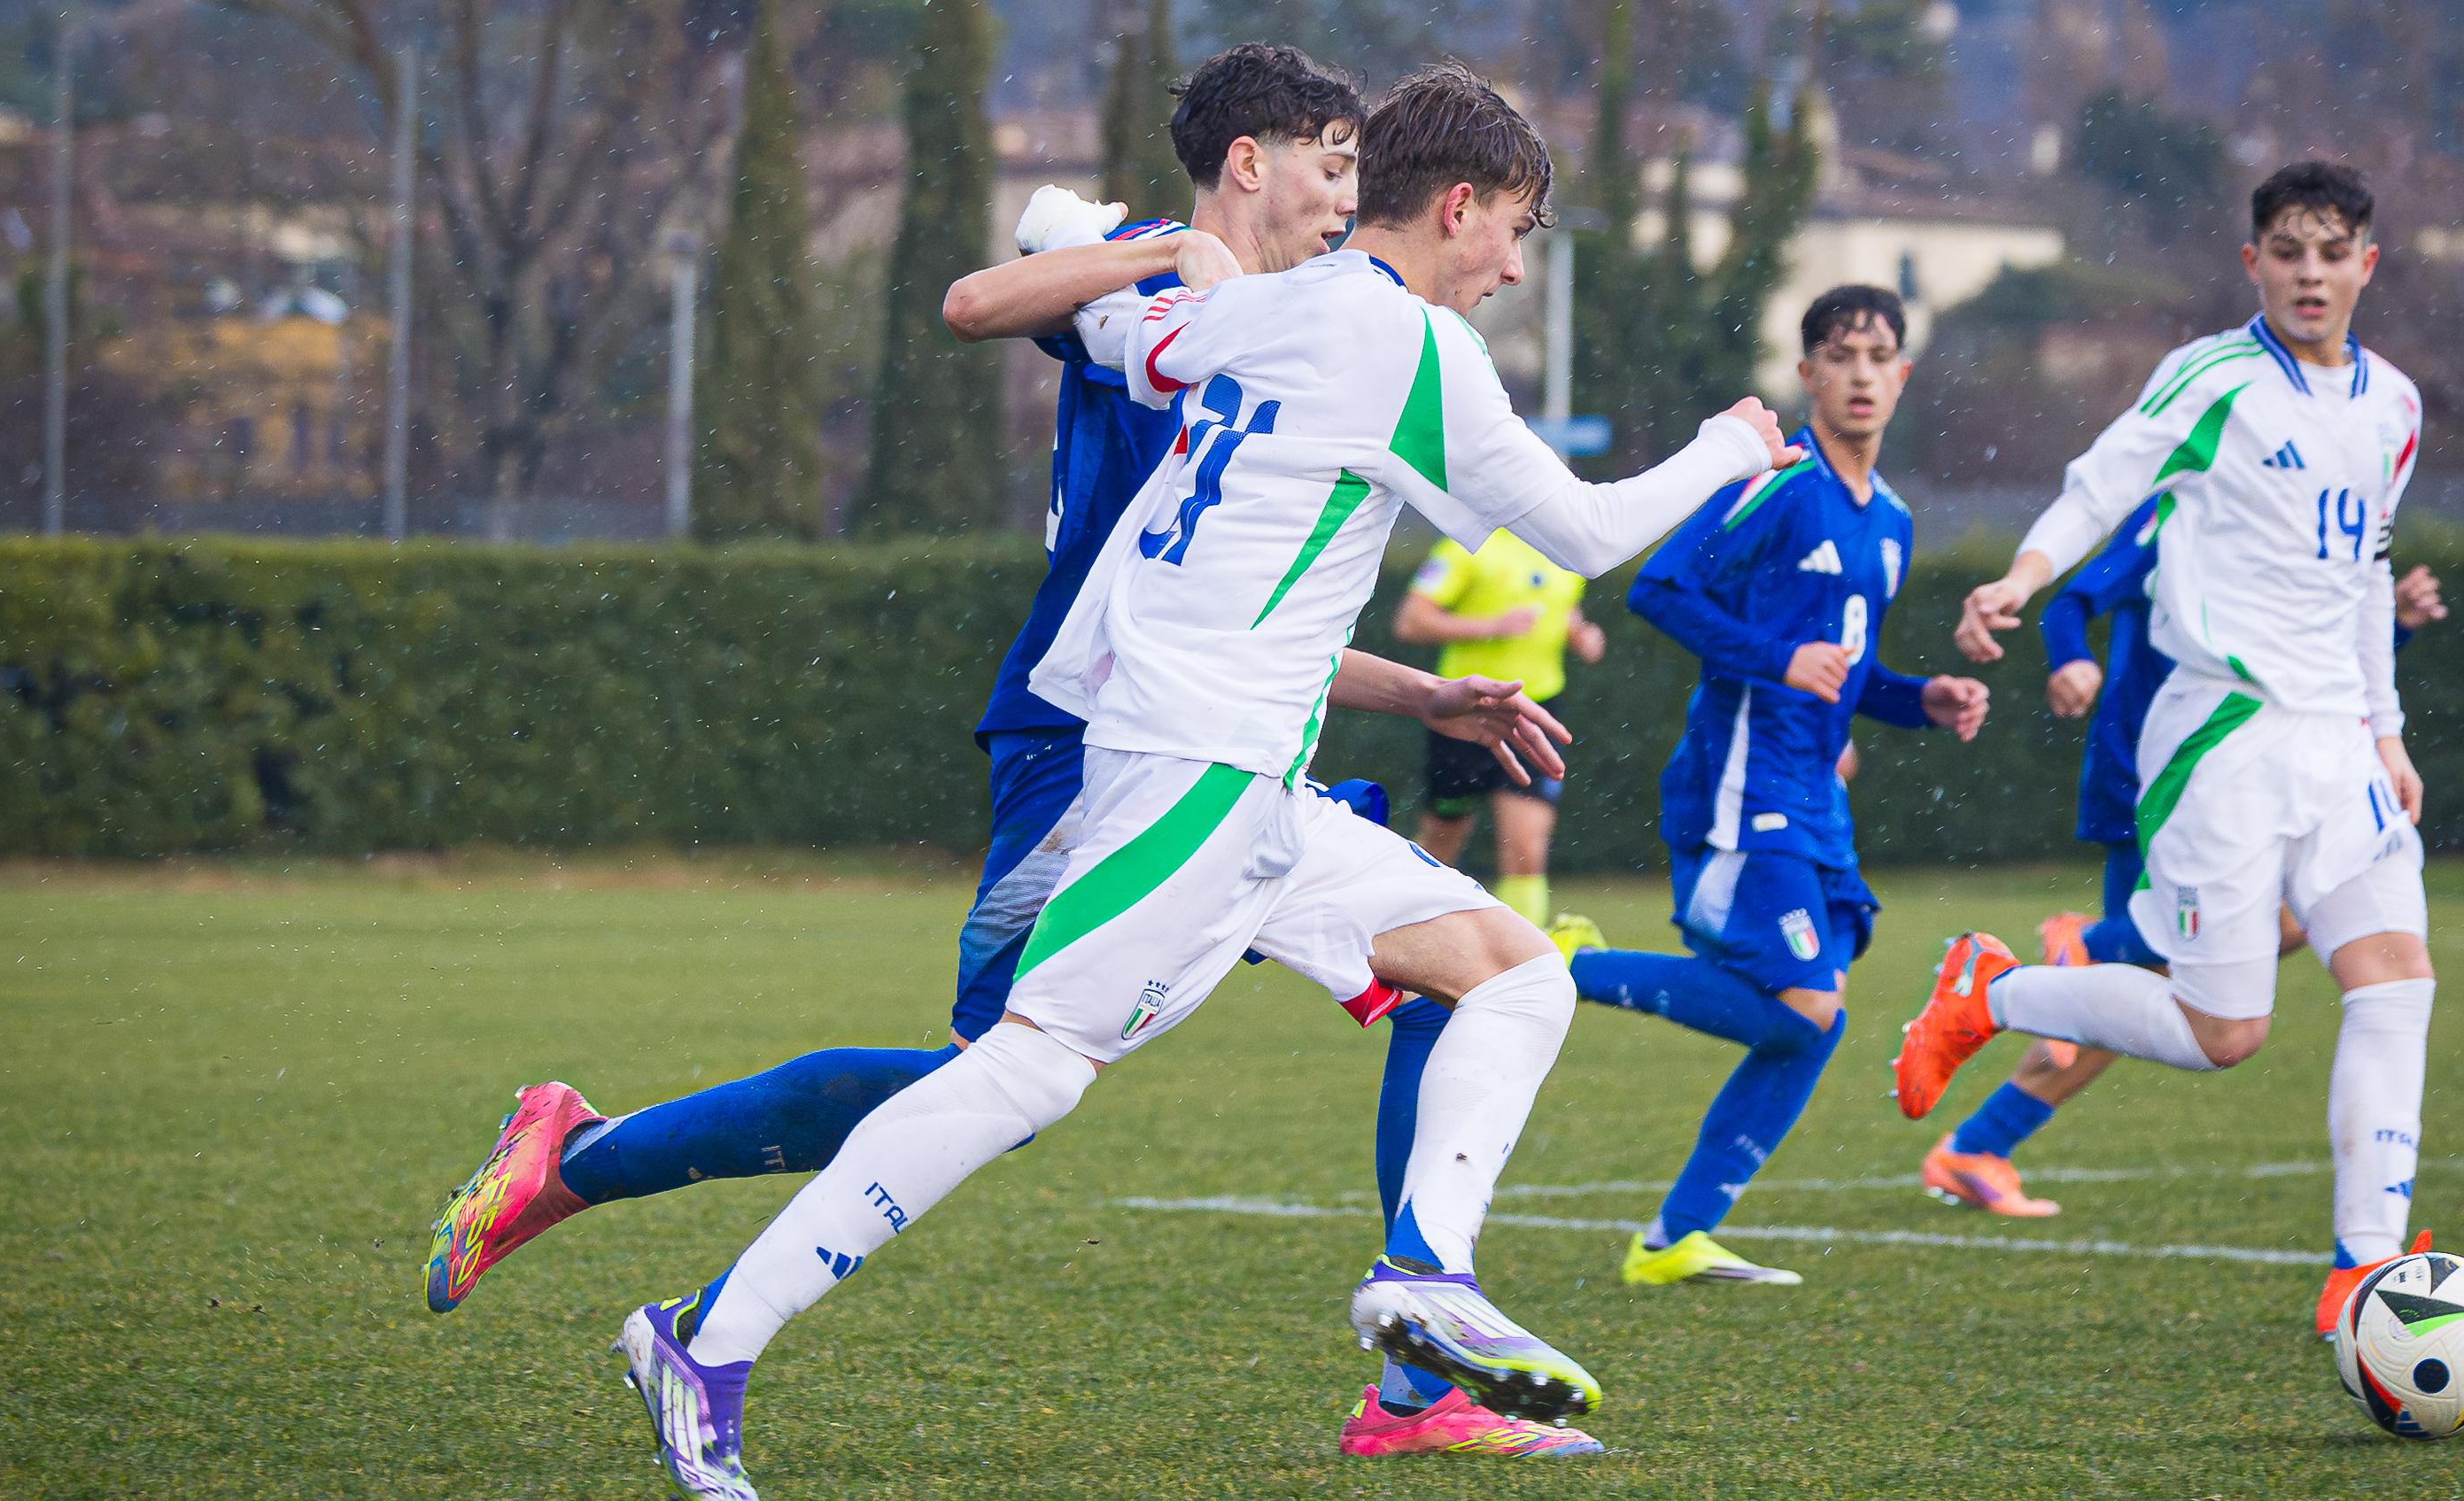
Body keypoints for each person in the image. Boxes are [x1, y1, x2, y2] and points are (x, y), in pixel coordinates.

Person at [600, 65, 1807, 1498]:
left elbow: (1121, 331)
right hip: (1195, 767)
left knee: (1512, 972)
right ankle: (708, 1340)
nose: (1512, 264)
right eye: (1518, 231)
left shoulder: (1274, 302)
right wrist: (1735, 444)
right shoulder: (1403, 344)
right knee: (1024, 1074)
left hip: (1238, 776)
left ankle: (1425, 1274)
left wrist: (1111, 254)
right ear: (1464, 205)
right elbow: (1580, 532)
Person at [420, 41, 1565, 1438]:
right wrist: (1135, 246)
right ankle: (583, 1161)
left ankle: (1414, 1370)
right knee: (991, 1082)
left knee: (1457, 981)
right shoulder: (1167, 289)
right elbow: (981, 296)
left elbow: (1251, 607)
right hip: (1092, 743)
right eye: (1331, 165)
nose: (1348, 196)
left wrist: (1423, 690)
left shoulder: (1311, 330)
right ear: (1253, 165)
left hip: (1221, 748)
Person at [1890, 161, 2439, 1339]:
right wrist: (2018, 580)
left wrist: (2385, 732)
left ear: (2363, 266)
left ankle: (2360, 1266)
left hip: (2337, 742)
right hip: (2220, 738)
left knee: (2393, 982)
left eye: (2329, 251)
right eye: (2285, 251)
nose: (2307, 272)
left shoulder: (2391, 407)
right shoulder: (2208, 380)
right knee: (2219, 1031)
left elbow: (2364, 580)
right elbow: (2095, 491)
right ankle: (1993, 989)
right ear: (2252, 262)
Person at [1547, 285, 1992, 1286]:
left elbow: (1847, 669)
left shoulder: (1893, 522)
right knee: (1803, 1010)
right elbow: (1662, 585)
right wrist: (1775, 658)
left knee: (1811, 1027)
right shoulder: (1782, 484)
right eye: (1842, 355)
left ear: (1903, 376)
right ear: (1808, 376)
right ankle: (1565, 968)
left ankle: (1674, 1241)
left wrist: (1924, 699)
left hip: (1815, 804)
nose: (1863, 373)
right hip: (1743, 791)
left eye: (1881, 355)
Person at [1920, 534, 2449, 1219]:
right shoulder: (2185, 497)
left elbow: (2305, 668)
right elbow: (2072, 601)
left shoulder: (2282, 505)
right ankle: (2095, 949)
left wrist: (2393, 630)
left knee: (2183, 986)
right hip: (2165, 776)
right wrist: (2072, 660)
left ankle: (1984, 1132)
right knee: (2166, 990)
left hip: (2248, 782)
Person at [1394, 530, 1607, 924]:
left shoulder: (1564, 545)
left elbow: (1564, 609)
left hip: (1534, 714)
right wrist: (1492, 625)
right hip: (1463, 714)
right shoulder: (1465, 545)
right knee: (1440, 845)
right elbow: (1410, 621)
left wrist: (1581, 634)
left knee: (1526, 851)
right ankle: (1404, 943)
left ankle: (1522, 965)